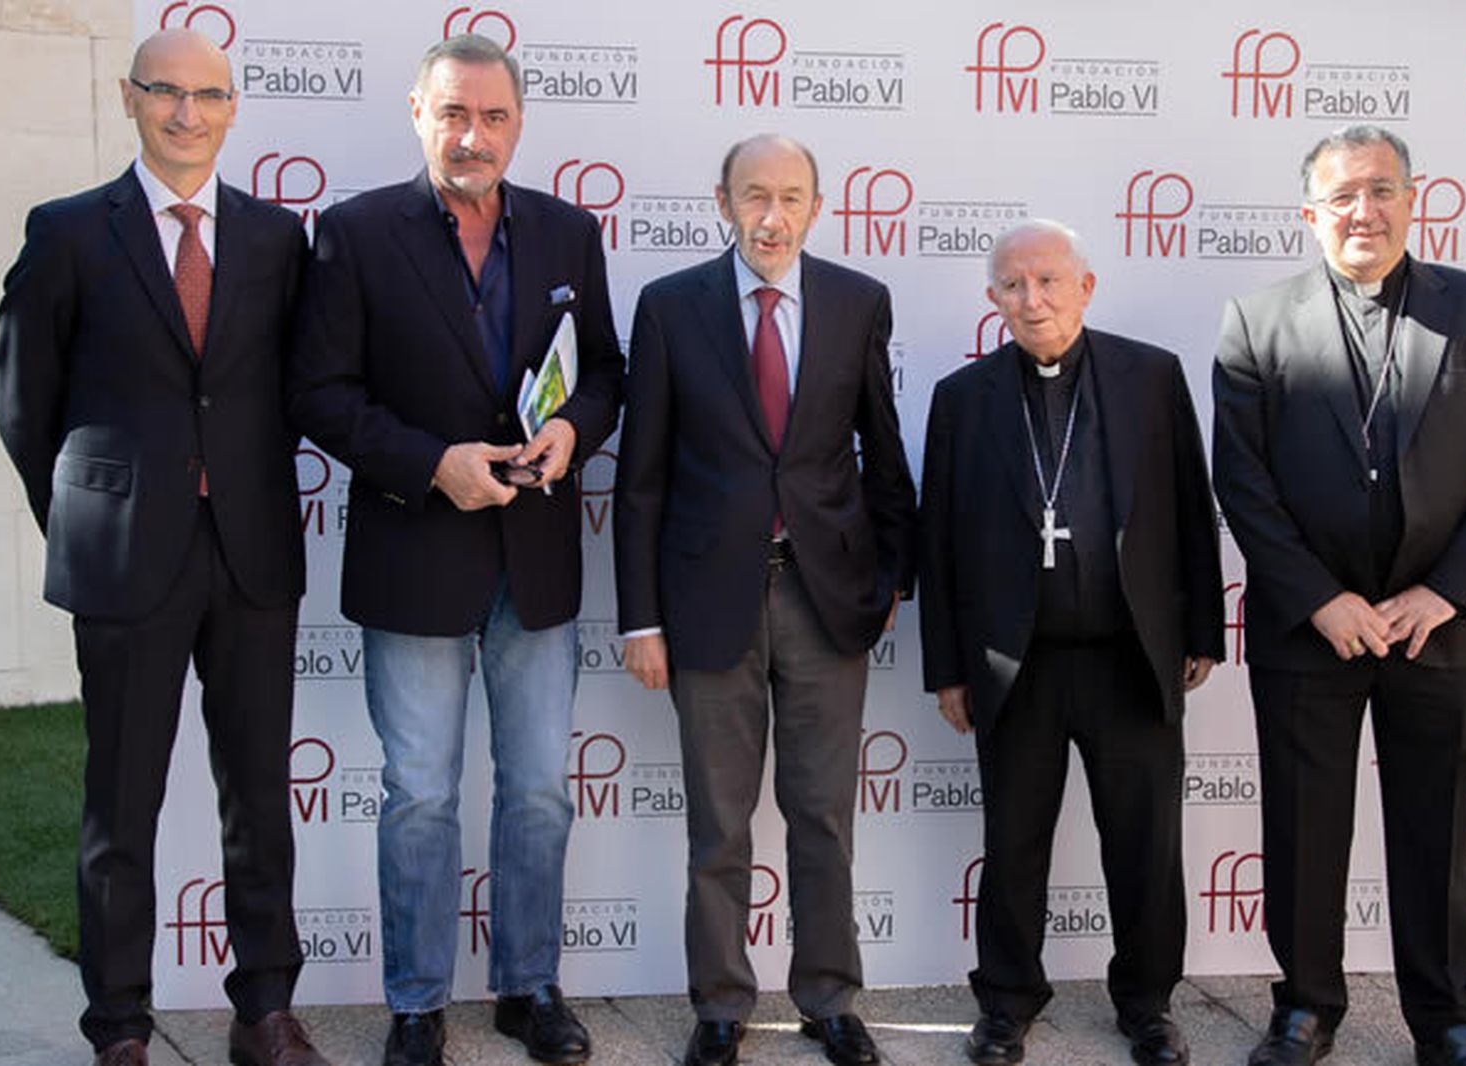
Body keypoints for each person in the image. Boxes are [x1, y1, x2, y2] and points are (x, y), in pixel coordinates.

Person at [0, 28, 325, 1066]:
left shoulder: (277, 238)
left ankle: (264, 1011)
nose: (187, 112)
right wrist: (88, 518)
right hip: (126, 560)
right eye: (166, 91)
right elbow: (22, 399)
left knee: (259, 799)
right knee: (122, 803)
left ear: (232, 108)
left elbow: (299, 387)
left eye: (207, 94)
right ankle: (121, 1027)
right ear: (129, 97)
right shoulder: (68, 232)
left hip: (251, 554)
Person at [287, 34, 622, 1066]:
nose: (473, 135)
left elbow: (604, 372)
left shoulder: (568, 232)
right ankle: (417, 1002)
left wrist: (573, 430)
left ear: (518, 125)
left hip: (536, 559)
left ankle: (529, 987)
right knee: (421, 793)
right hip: (416, 553)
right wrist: (432, 463)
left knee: (539, 788)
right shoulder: (353, 233)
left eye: (493, 117)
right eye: (453, 114)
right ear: (418, 114)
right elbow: (320, 393)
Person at [1212, 125, 1466, 1066]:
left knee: (1442, 832)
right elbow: (1243, 481)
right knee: (1304, 827)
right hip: (1310, 629)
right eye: (1343, 196)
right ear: (1310, 214)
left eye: (1383, 190)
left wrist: (1445, 592)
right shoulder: (1256, 322)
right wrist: (1322, 599)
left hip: (1444, 628)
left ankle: (1446, 1015)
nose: (1365, 210)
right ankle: (1304, 1008)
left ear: (1412, 199)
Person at [613, 133, 916, 1066]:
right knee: (719, 822)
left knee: (824, 815)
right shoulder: (670, 308)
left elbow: (883, 453)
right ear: (723, 201)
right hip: (708, 604)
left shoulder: (859, 302)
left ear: (817, 208)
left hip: (826, 600)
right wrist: (641, 617)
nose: (771, 216)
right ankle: (719, 1005)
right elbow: (642, 479)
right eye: (754, 195)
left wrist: (891, 580)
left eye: (790, 197)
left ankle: (828, 997)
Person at [917, 220, 1223, 1066]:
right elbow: (937, 543)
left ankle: (1148, 1005)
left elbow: (1190, 505)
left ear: (1085, 287)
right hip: (1016, 663)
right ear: (993, 299)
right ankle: (1007, 1002)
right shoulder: (963, 397)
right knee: (1013, 843)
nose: (1033, 299)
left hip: (1131, 655)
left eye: (1049, 280)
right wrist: (947, 669)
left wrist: (1203, 628)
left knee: (1146, 845)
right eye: (1014, 285)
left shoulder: (1150, 376)